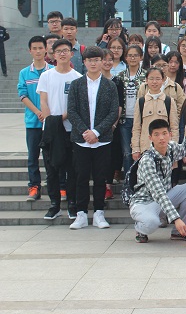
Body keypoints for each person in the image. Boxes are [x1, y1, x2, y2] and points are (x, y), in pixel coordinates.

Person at [67, 46, 119, 229]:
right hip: (81, 140)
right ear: (84, 62)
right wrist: (85, 131)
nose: (94, 63)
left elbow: (113, 112)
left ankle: (99, 213)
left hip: (102, 140)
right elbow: (72, 111)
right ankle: (81, 214)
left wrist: (96, 132)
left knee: (100, 177)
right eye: (90, 60)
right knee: (81, 177)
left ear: (102, 61)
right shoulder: (76, 84)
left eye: (97, 60)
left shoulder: (110, 85)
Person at [129, 119, 186, 243]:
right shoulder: (147, 161)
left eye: (164, 133)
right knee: (151, 223)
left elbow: (184, 150)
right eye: (156, 134)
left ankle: (179, 232)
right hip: (144, 203)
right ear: (150, 138)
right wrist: (176, 219)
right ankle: (140, 228)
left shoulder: (171, 147)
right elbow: (159, 193)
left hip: (163, 198)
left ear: (170, 134)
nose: (161, 138)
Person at [37, 39, 82, 220]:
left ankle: (72, 204)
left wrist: (62, 118)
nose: (62, 54)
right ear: (53, 55)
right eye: (59, 51)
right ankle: (54, 204)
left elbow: (76, 106)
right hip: (50, 131)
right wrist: (52, 121)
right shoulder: (46, 76)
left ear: (72, 53)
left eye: (66, 50)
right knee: (52, 171)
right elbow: (43, 101)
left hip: (70, 130)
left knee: (72, 170)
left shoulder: (78, 77)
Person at [18, 36, 53, 202]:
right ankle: (34, 186)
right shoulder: (24, 73)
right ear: (30, 51)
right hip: (33, 122)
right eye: (35, 48)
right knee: (33, 156)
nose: (38, 51)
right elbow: (23, 95)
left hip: (50, 122)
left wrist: (46, 113)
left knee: (51, 157)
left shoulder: (52, 71)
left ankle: (57, 186)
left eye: (40, 48)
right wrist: (38, 111)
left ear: (46, 49)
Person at [131, 66, 179, 162]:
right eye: (151, 79)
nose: (154, 82)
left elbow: (174, 127)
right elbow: (136, 127)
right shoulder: (141, 102)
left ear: (163, 80)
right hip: (146, 148)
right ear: (146, 80)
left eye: (158, 79)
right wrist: (135, 148)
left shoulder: (169, 101)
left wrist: (173, 147)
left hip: (165, 148)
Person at [116, 44, 146, 175]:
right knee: (127, 153)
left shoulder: (146, 75)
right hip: (125, 119)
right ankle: (129, 182)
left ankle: (141, 180)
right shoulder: (120, 76)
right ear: (126, 58)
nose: (132, 58)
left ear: (141, 57)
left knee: (142, 152)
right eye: (130, 55)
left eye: (135, 55)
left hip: (142, 119)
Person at [100, 48, 125, 199]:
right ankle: (100, 185)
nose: (108, 62)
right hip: (95, 126)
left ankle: (108, 186)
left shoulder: (117, 81)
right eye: (104, 59)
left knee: (110, 156)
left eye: (110, 59)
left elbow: (119, 105)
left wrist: (113, 124)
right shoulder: (92, 80)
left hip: (112, 126)